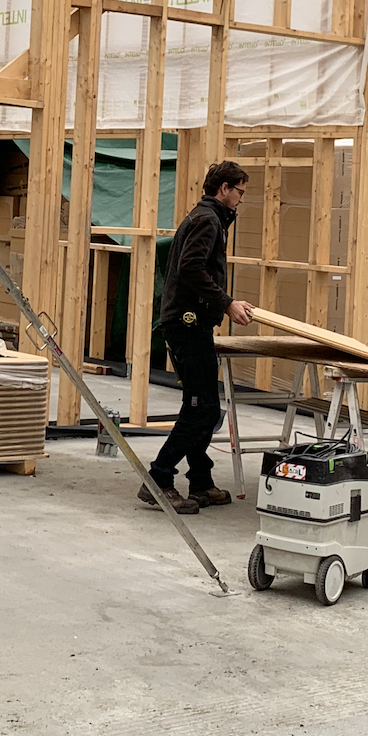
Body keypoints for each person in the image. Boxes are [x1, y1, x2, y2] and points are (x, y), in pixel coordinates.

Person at [141, 160, 254, 513]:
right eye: (240, 192)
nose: (240, 199)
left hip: (190, 322)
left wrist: (222, 302)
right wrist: (227, 302)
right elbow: (190, 268)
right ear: (224, 189)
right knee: (200, 408)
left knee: (202, 407)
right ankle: (158, 479)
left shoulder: (208, 218)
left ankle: (201, 481)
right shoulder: (208, 220)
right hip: (186, 325)